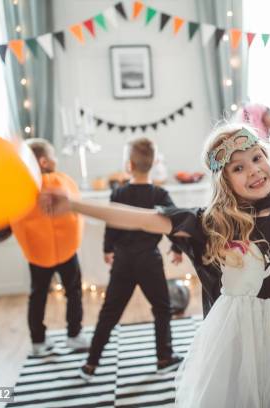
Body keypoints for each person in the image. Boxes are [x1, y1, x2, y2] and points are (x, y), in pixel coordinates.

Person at [40, 56, 270, 407]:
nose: (253, 170)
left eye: (257, 158)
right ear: (225, 180)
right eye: (238, 167)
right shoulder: (210, 224)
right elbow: (139, 218)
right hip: (237, 339)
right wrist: (74, 205)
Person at [79, 138, 184, 380]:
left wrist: (108, 249)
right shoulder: (160, 194)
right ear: (155, 162)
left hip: (124, 261)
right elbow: (175, 222)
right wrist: (177, 248)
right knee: (162, 309)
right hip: (149, 260)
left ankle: (91, 363)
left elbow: (112, 223)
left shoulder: (119, 192)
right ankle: (164, 357)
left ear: (129, 166)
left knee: (110, 312)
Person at [10, 138, 89, 355]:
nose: (56, 160)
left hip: (38, 253)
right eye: (54, 156)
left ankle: (38, 341)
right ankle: (74, 335)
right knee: (73, 292)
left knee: (38, 296)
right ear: (44, 161)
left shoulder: (21, 187)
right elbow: (75, 205)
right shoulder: (60, 181)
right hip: (66, 251)